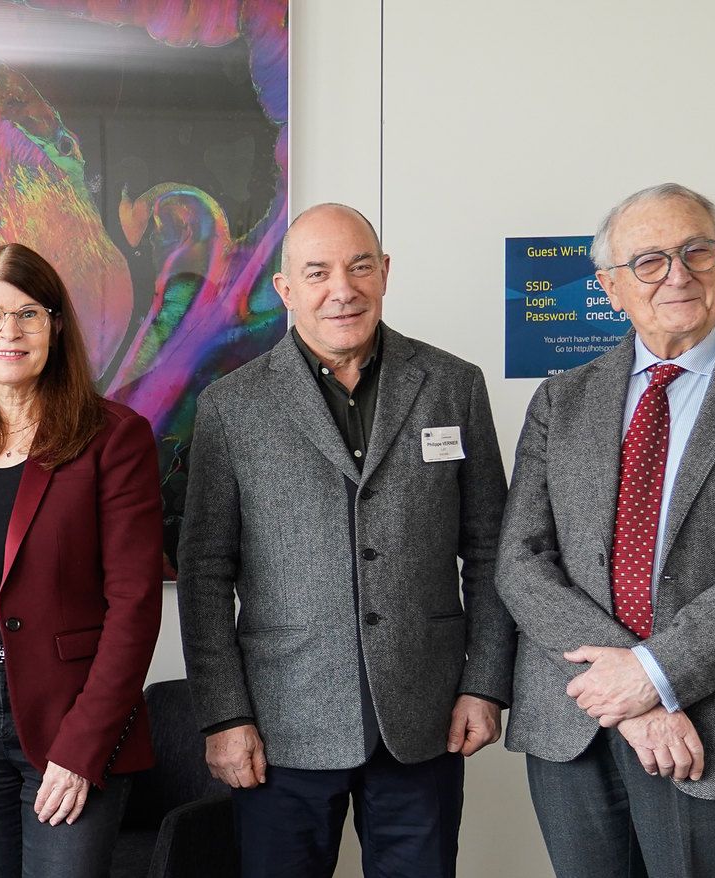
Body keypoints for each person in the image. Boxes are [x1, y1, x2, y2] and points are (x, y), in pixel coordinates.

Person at [497, 183, 715, 877]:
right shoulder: (561, 401)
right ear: (610, 286)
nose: (679, 274)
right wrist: (627, 693)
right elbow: (522, 560)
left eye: (697, 251)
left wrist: (655, 674)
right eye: (651, 260)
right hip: (577, 717)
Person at [177, 203, 513, 877]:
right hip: (280, 725)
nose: (343, 288)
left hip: (425, 716)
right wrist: (222, 716)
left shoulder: (452, 386)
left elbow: (490, 548)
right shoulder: (232, 406)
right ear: (286, 290)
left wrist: (485, 682)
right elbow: (205, 571)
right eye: (318, 271)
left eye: (360, 266)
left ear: (385, 273)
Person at [0, 243, 162, 878]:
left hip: (73, 715)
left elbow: (134, 607)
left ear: (55, 325)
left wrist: (83, 748)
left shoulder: (115, 438)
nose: (11, 332)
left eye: (28, 312)